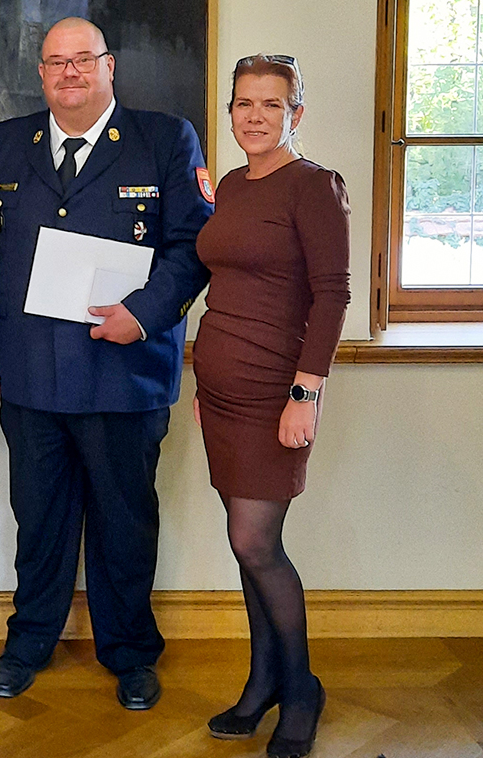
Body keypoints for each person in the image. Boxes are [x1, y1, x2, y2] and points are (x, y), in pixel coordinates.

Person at [0, 17, 211, 709]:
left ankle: (130, 652)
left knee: (123, 522)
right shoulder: (5, 144)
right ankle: (29, 642)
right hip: (30, 374)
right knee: (38, 519)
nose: (70, 73)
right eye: (56, 63)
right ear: (40, 74)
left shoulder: (165, 139)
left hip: (123, 371)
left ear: (110, 67)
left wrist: (147, 311)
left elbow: (193, 245)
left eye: (84, 60)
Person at [192, 54, 350, 758]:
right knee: (242, 543)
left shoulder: (314, 187)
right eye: (243, 103)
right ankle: (262, 682)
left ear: (296, 114)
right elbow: (223, 286)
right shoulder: (229, 184)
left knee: (258, 544)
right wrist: (202, 386)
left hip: (275, 394)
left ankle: (301, 687)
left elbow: (333, 296)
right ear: (230, 112)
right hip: (220, 395)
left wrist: (304, 393)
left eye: (270, 104)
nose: (254, 116)